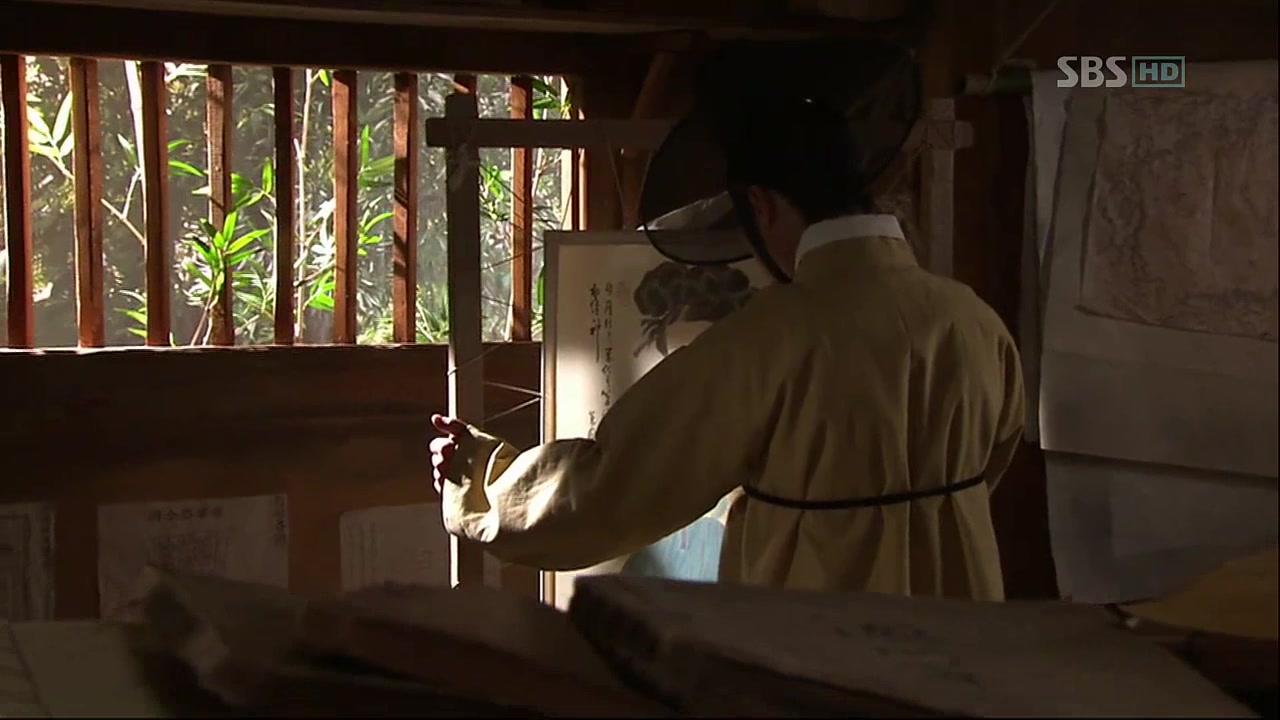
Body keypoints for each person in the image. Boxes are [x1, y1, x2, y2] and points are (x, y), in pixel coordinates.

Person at [429, 97, 1025, 601]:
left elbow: (615, 488)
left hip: (824, 634)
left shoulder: (765, 341)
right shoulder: (975, 322)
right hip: (960, 627)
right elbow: (992, 463)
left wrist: (481, 477)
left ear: (760, 204)